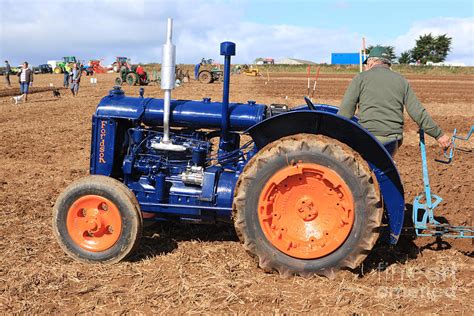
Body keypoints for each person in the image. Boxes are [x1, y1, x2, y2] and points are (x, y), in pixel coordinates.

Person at [337, 46, 451, 152]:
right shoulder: (401, 80)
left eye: (366, 63)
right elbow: (417, 112)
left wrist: (337, 135)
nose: (366, 66)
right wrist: (439, 135)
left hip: (369, 137)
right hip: (394, 139)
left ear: (371, 62)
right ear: (388, 64)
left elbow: (345, 112)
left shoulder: (360, 78)